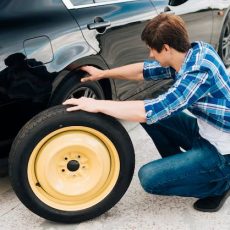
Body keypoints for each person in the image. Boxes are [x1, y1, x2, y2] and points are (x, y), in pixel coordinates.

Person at [63, 14, 230, 212]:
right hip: (204, 132)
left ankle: (220, 184)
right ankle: (187, 167)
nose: (151, 54)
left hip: (222, 152)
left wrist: (96, 104)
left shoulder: (197, 75)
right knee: (145, 115)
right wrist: (102, 74)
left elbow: (152, 110)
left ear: (166, 48)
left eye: (152, 49)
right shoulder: (194, 52)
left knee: (149, 178)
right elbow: (142, 71)